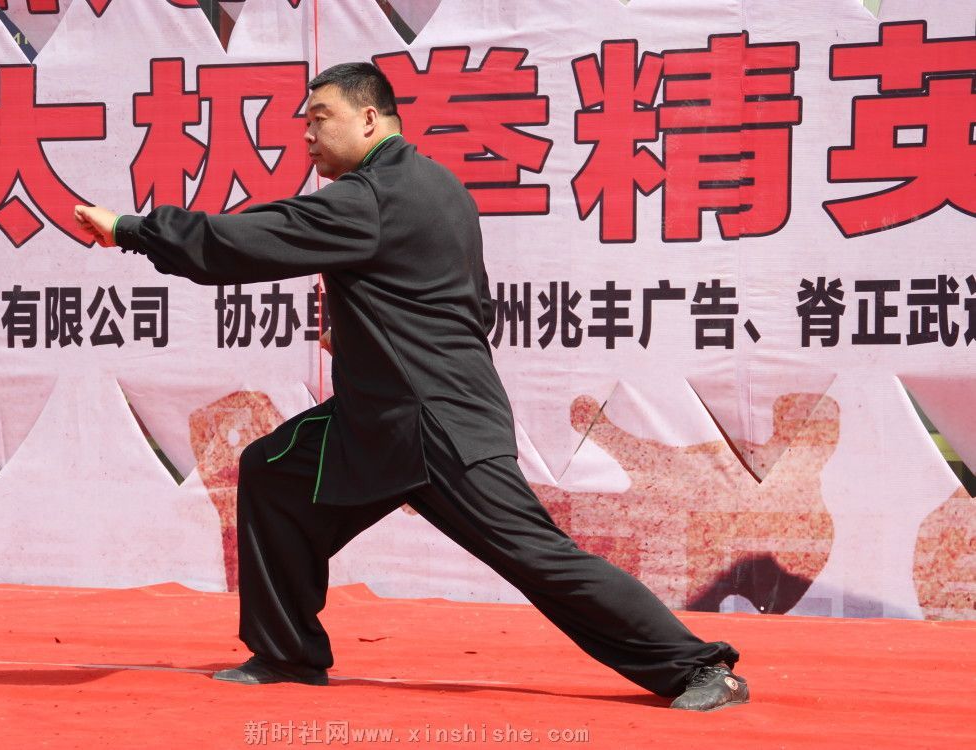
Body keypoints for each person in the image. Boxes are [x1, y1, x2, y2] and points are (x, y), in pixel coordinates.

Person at [73, 62, 748, 711]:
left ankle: (697, 667)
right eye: (304, 121)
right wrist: (363, 334)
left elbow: (248, 239)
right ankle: (287, 655)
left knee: (537, 557)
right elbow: (469, 305)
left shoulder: (372, 197)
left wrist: (132, 230)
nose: (307, 135)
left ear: (369, 119)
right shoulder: (441, 188)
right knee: (274, 474)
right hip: (378, 418)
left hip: (435, 423)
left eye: (320, 118)